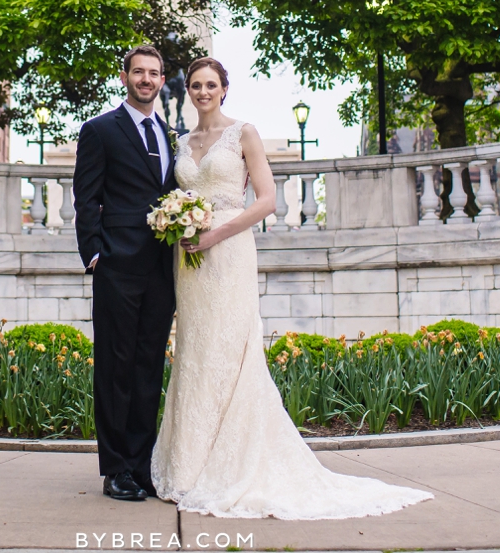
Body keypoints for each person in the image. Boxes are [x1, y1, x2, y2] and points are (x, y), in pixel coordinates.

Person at [151, 56, 433, 519]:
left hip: (228, 249)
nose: (202, 92)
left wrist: (215, 233)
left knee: (230, 348)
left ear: (225, 89)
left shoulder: (243, 134)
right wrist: (178, 224)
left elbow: (266, 201)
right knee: (196, 351)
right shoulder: (181, 141)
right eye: (196, 85)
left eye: (211, 85)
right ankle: (187, 466)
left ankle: (233, 465)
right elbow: (175, 195)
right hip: (188, 256)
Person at [73, 44, 176, 502]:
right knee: (115, 368)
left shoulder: (169, 132)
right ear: (125, 77)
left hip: (162, 268)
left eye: (153, 73)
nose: (146, 80)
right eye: (139, 72)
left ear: (162, 80)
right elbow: (85, 196)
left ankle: (141, 465)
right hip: (116, 264)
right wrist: (94, 253)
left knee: (148, 367)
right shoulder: (99, 130)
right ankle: (115, 470)